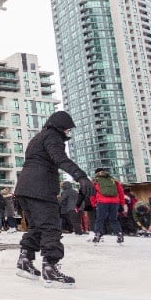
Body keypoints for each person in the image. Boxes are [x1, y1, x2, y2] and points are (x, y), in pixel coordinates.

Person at [14, 111, 93, 287]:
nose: (67, 132)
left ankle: (25, 261)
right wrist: (80, 176)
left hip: (24, 188)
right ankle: (50, 269)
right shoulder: (52, 137)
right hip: (40, 188)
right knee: (51, 227)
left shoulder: (37, 138)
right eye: (66, 129)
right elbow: (60, 159)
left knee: (37, 226)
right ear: (60, 127)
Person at [90, 168, 125, 244]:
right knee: (114, 219)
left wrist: (94, 203)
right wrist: (122, 203)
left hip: (102, 202)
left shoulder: (95, 181)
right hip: (115, 202)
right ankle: (119, 233)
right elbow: (121, 192)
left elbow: (92, 193)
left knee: (100, 219)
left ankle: (97, 234)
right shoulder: (113, 180)